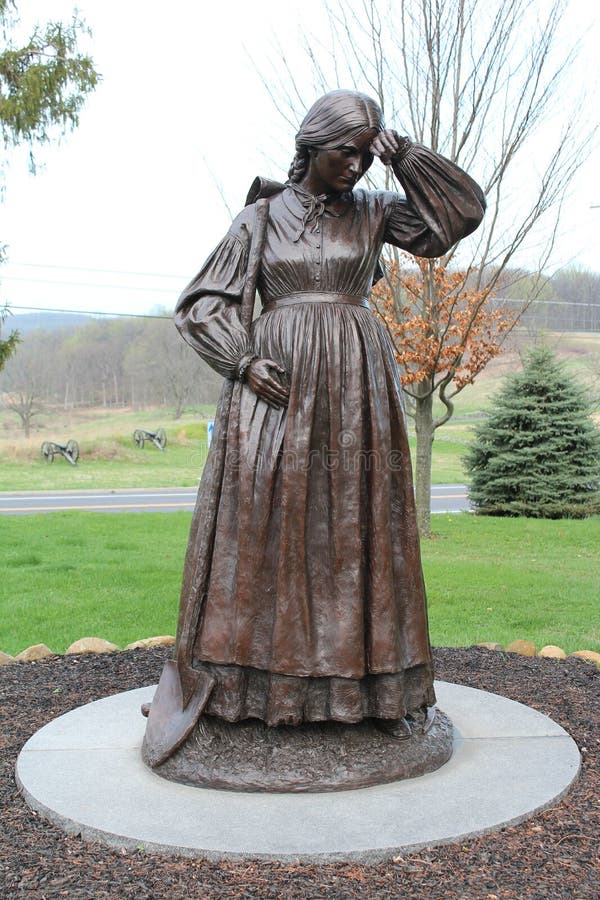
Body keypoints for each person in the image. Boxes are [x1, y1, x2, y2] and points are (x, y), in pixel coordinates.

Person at [172, 90, 485, 738]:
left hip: (356, 394)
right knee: (263, 529)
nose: (358, 166)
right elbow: (202, 304)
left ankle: (366, 693)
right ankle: (255, 689)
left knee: (355, 531)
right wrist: (242, 361)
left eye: (368, 155)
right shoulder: (260, 217)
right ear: (313, 144)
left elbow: (456, 219)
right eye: (348, 152)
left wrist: (406, 159)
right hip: (275, 393)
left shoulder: (374, 211)